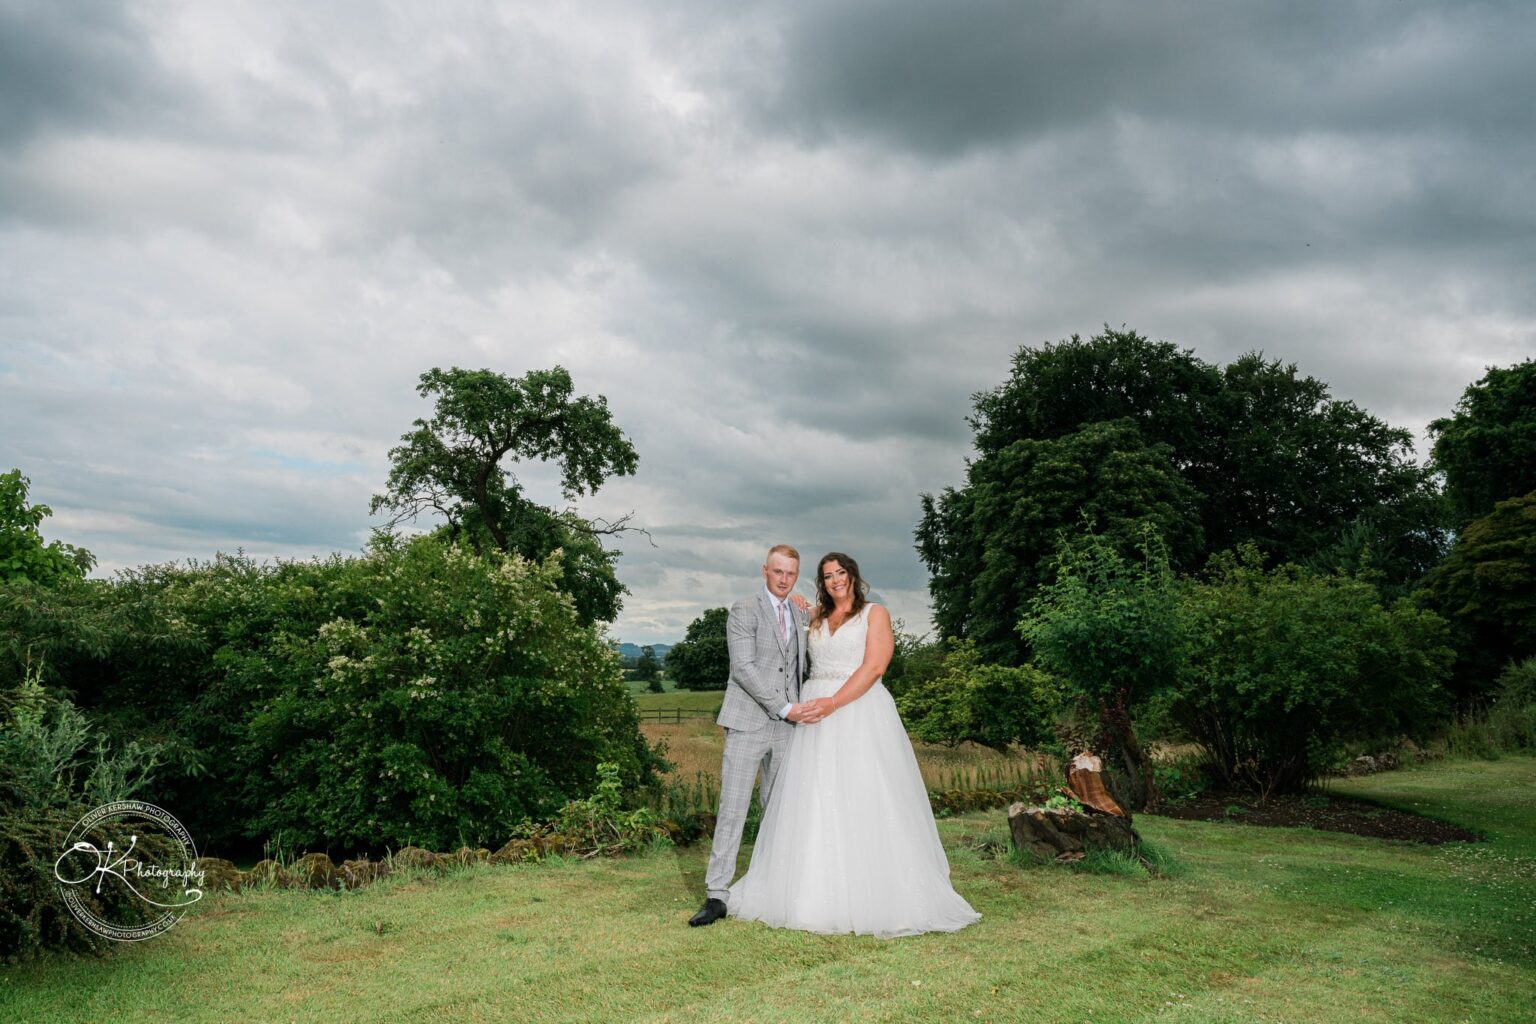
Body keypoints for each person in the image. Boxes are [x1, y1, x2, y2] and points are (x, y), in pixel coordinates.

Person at [726, 552, 982, 937]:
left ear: (853, 575)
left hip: (857, 711)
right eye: (827, 576)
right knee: (813, 800)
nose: (834, 580)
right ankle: (809, 892)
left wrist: (834, 702)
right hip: (814, 717)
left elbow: (875, 667)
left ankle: (877, 895)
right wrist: (798, 605)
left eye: (840, 573)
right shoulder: (814, 616)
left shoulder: (874, 613)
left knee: (865, 796)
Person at [689, 544, 823, 927]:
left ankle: (774, 887)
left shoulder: (799, 611)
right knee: (733, 810)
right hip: (749, 721)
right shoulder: (744, 609)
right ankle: (716, 895)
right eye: (778, 572)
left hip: (789, 728)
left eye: (791, 574)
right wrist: (783, 707)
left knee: (780, 809)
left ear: (797, 576)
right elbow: (744, 669)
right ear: (765, 570)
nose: (784, 580)